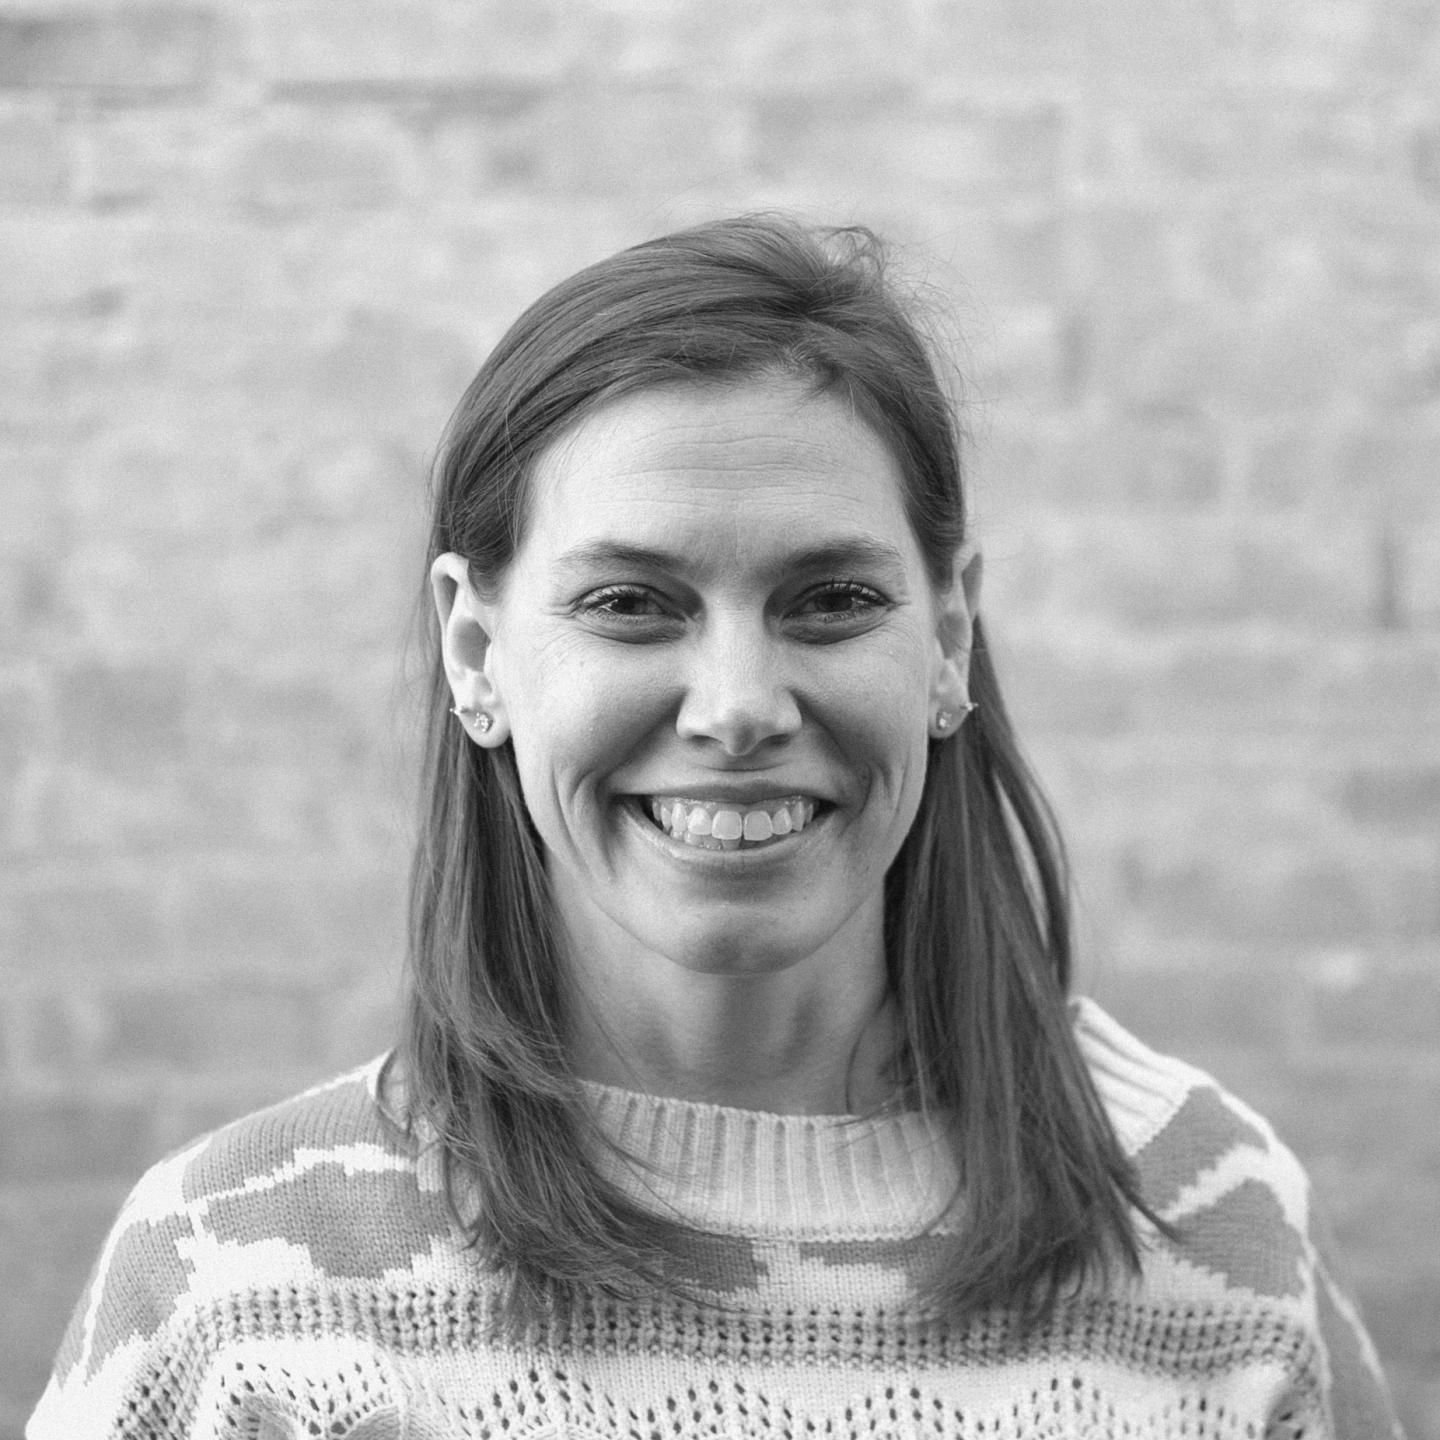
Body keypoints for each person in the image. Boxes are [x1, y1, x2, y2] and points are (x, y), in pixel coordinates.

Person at [30, 216, 1402, 1440]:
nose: (739, 707)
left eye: (830, 602)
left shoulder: (1212, 1231)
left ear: (950, 635)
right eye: (632, 605)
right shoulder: (245, 1283)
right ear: (475, 650)